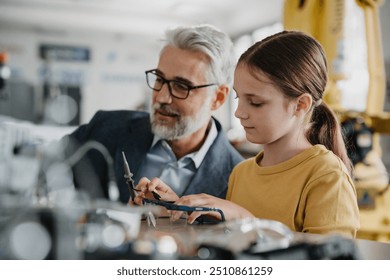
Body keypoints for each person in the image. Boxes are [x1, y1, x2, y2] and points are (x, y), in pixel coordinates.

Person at [135, 30, 360, 238]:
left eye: (255, 102)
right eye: (239, 98)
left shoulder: (327, 176)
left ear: (300, 105)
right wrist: (179, 208)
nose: (239, 112)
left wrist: (244, 219)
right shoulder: (241, 173)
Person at [63, 24, 243, 203]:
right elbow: (44, 167)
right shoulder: (105, 127)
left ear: (218, 98)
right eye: (159, 79)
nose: (162, 97)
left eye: (181, 86)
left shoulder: (240, 178)